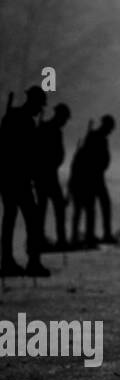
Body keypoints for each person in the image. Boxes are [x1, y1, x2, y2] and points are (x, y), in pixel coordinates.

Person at [0, 86, 50, 277]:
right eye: (39, 105)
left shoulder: (12, 118)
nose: (40, 110)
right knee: (32, 220)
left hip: (8, 178)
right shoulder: (25, 122)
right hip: (17, 178)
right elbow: (28, 154)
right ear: (34, 102)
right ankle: (32, 262)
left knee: (10, 220)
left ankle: (8, 260)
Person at [34, 102, 71, 251]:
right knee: (56, 207)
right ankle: (56, 240)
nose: (65, 122)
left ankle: (41, 239)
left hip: (46, 174)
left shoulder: (46, 128)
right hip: (46, 174)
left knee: (44, 208)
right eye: (65, 118)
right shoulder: (50, 130)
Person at [81, 114, 117, 246]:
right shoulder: (95, 137)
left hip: (98, 175)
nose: (110, 131)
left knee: (102, 205)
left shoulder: (98, 137)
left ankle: (102, 234)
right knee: (95, 206)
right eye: (110, 128)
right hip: (92, 176)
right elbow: (87, 156)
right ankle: (92, 236)